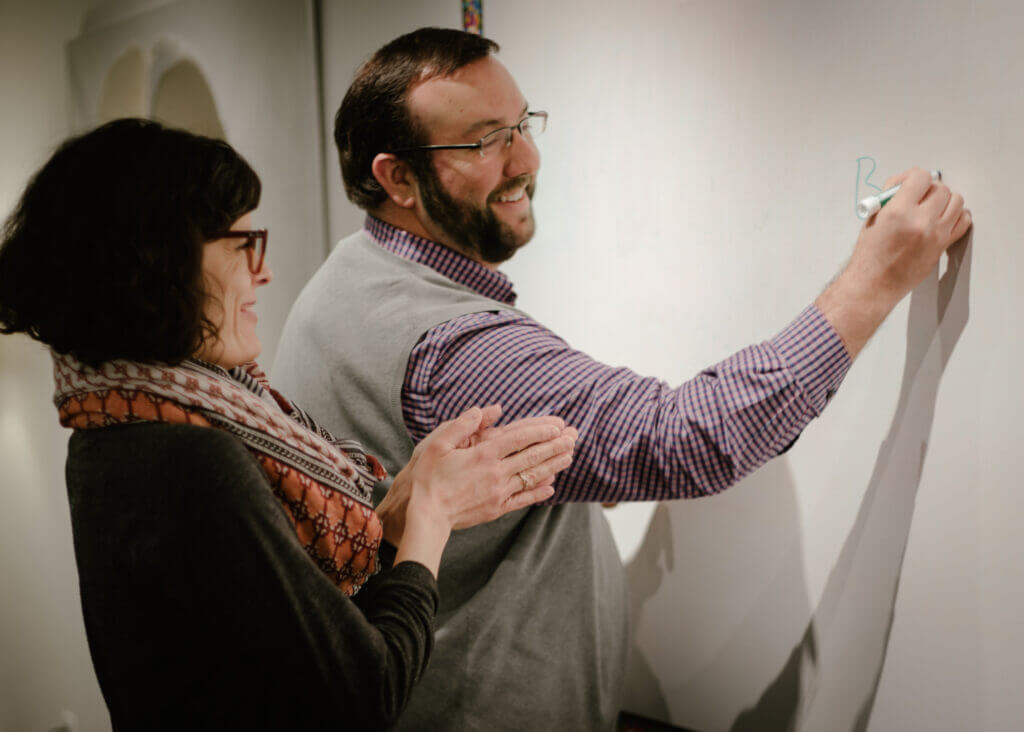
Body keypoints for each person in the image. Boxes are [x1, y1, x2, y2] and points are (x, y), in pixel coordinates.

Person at [273, 28, 972, 731]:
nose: (528, 159)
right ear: (396, 178)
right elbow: (685, 439)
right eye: (486, 141)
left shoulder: (348, 277)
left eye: (522, 124)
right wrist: (874, 281)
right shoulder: (446, 347)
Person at [0, 118, 579, 730]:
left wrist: (392, 520)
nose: (263, 272)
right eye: (240, 245)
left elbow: (268, 641)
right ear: (162, 262)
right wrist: (432, 518)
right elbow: (364, 694)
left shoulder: (107, 423)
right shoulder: (191, 458)